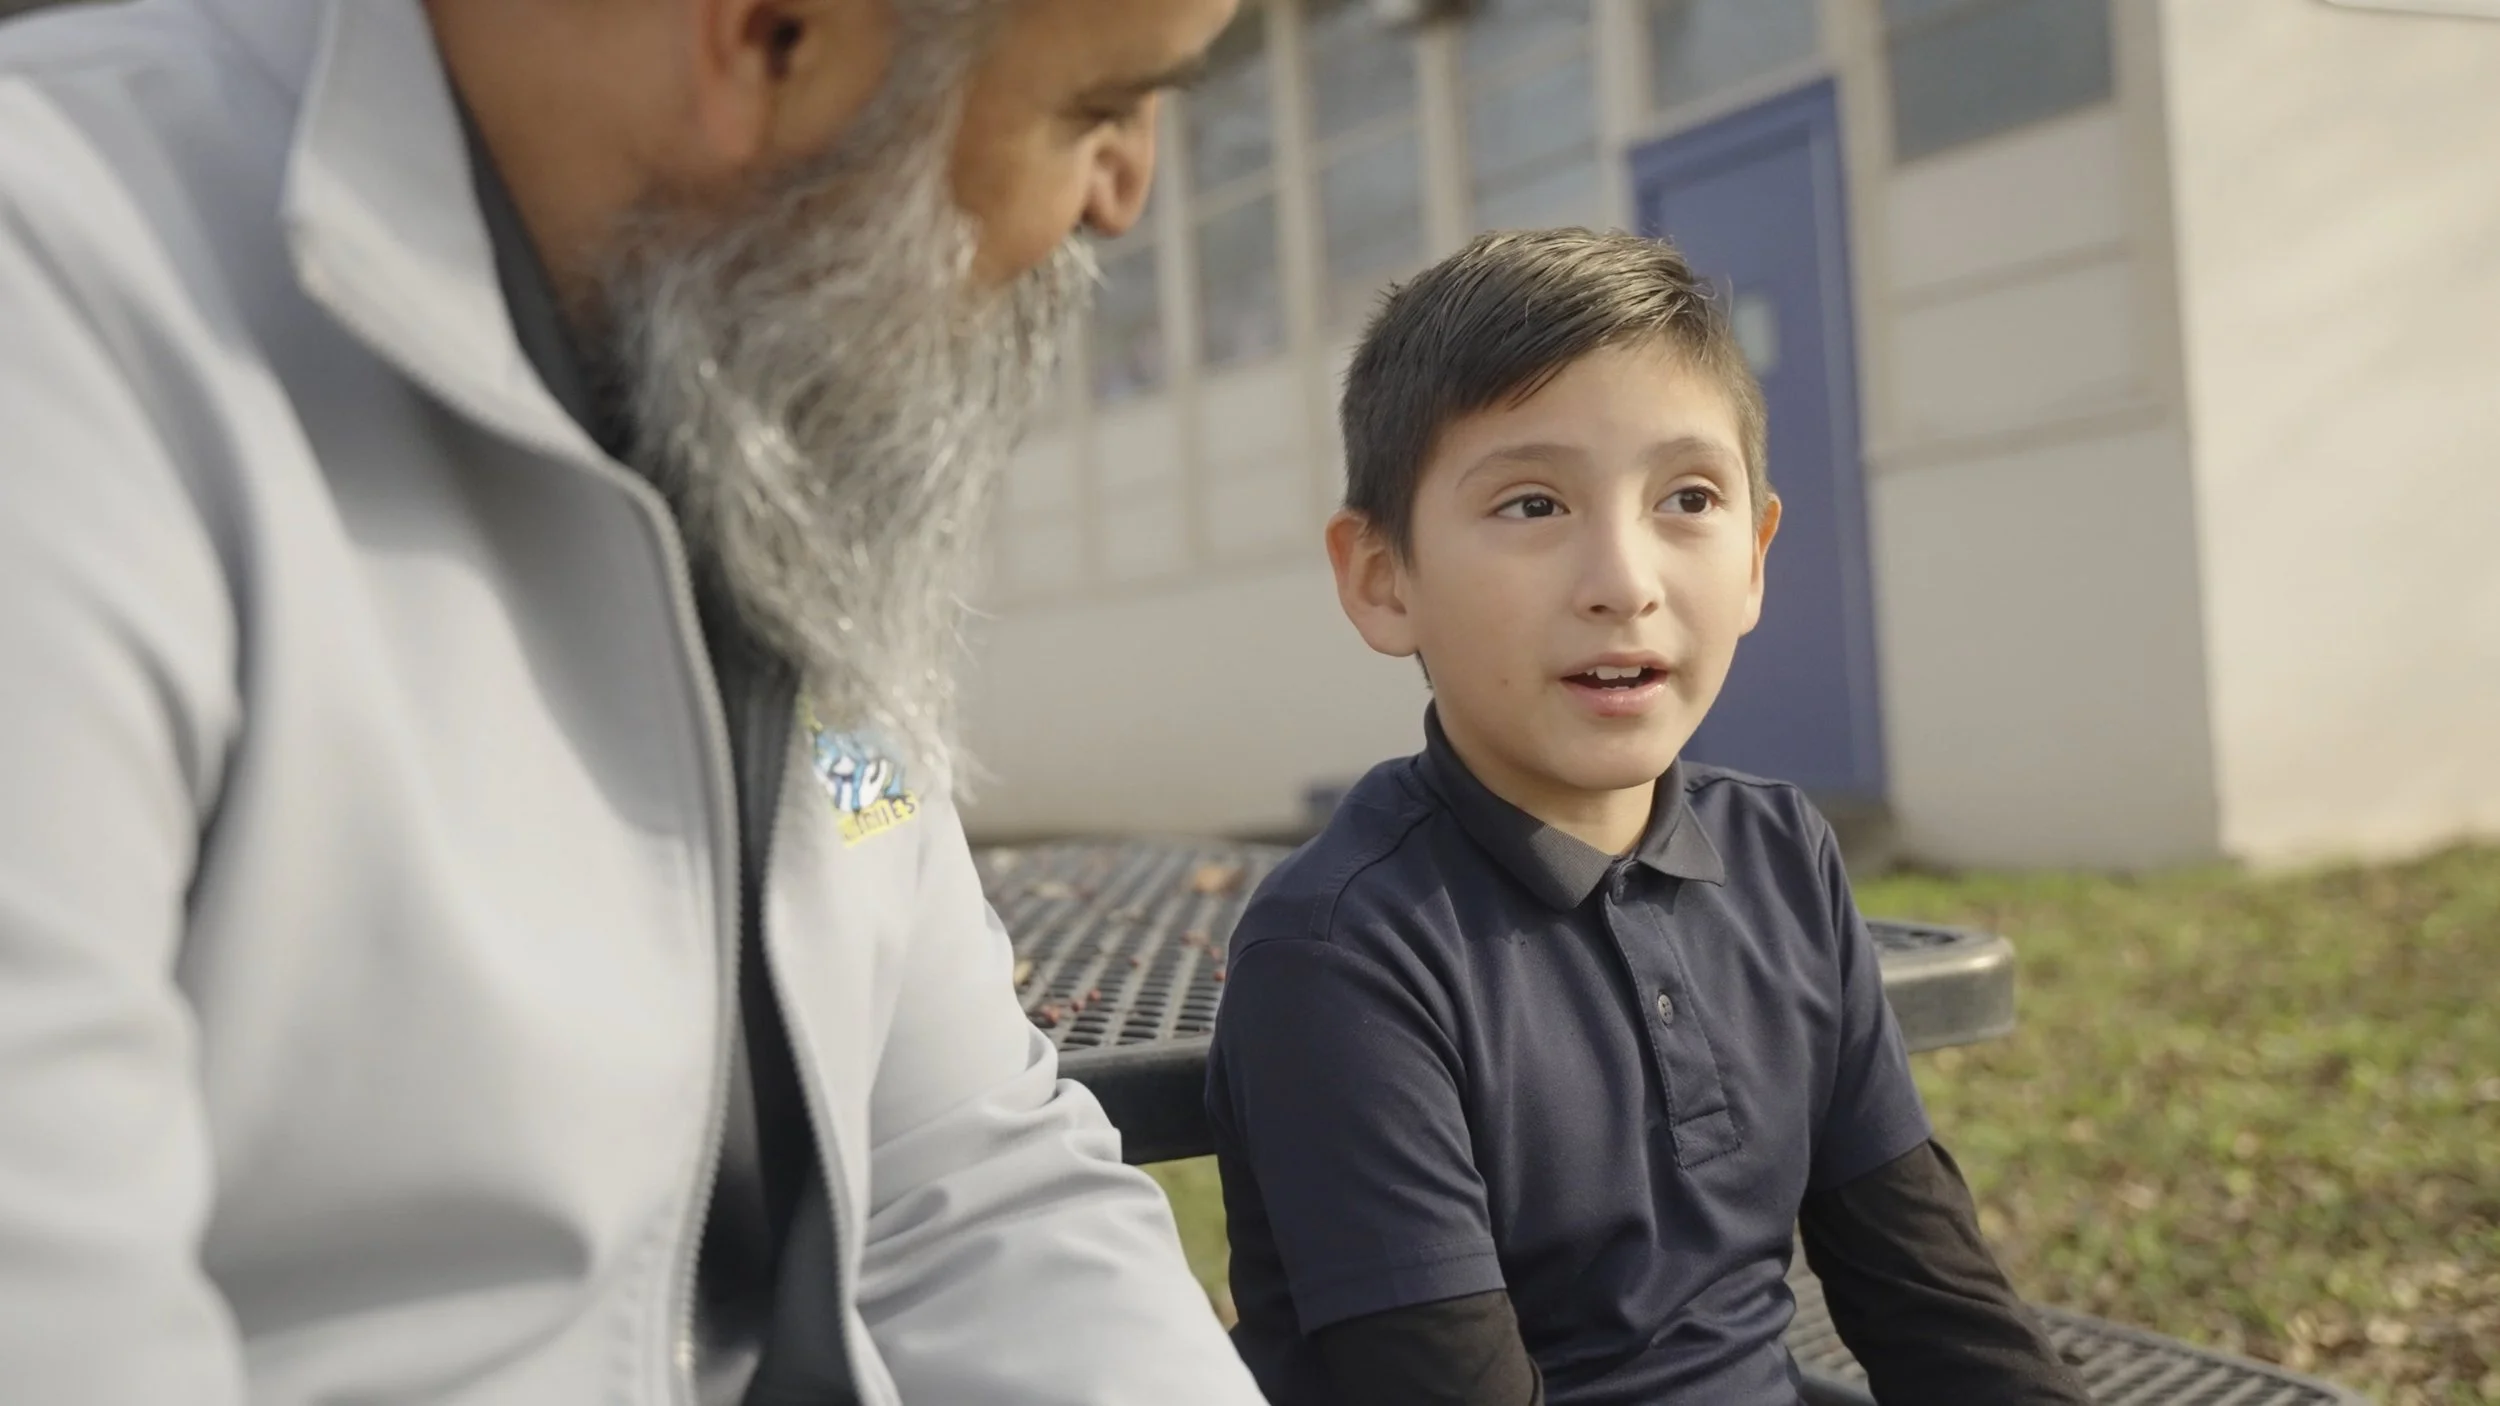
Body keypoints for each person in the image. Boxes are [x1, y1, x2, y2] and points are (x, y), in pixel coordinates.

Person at [0, 0, 1273, 1402]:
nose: (1127, 195)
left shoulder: (746, 383)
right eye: (1092, 111)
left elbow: (966, 1174)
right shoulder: (60, 335)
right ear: (770, 36)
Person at [1204, 229, 2093, 1406]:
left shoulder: (1781, 855)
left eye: (1687, 497)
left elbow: (1928, 1292)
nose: (1623, 579)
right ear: (1382, 577)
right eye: (1531, 502)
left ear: (1757, 556)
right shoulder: (1345, 954)